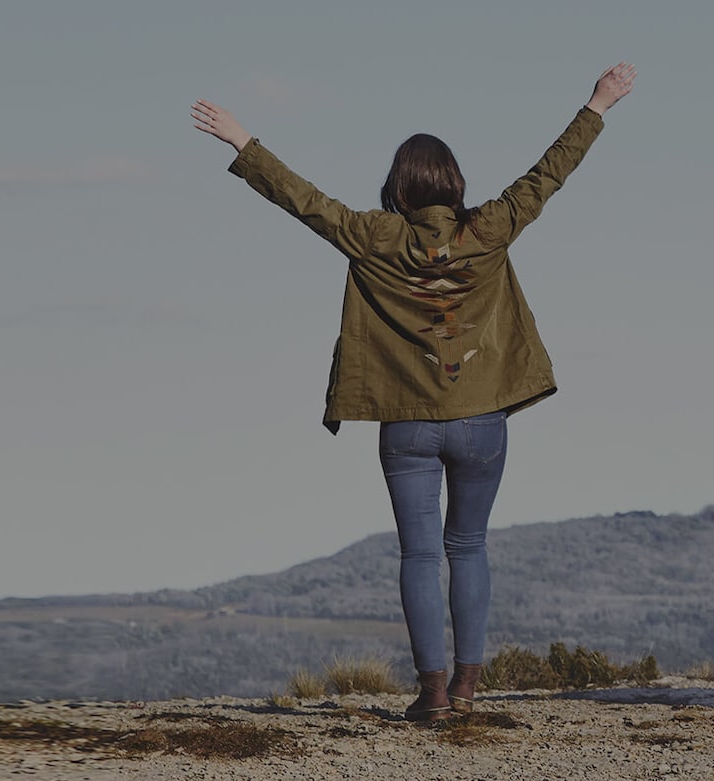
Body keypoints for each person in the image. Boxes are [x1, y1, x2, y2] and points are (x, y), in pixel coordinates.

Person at [192, 63, 632, 722]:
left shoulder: (374, 236)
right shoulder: (490, 228)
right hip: (482, 420)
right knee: (470, 546)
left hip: (407, 426)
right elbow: (550, 173)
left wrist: (242, 141)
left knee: (421, 553)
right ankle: (467, 687)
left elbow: (302, 198)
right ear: (454, 186)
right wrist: (598, 103)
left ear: (398, 187)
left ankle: (430, 692)